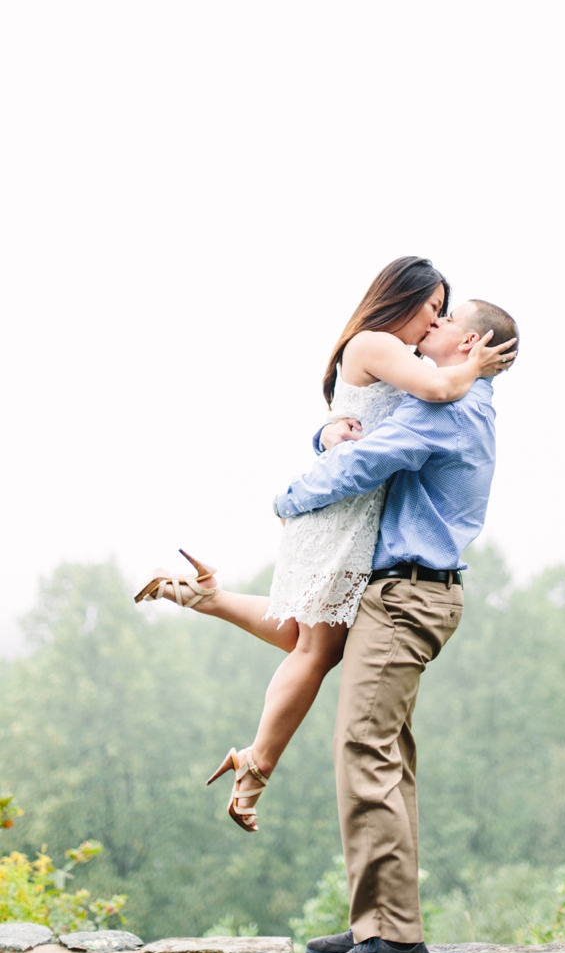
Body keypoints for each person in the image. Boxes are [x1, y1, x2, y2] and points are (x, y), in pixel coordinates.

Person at [134, 258, 516, 833]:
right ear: (402, 299)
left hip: (350, 512)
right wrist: (477, 365)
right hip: (340, 509)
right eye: (431, 308)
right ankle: (256, 764)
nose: (433, 321)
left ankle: (201, 599)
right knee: (316, 649)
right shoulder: (380, 344)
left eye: (443, 314)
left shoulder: (406, 361)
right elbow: (428, 395)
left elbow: (363, 417)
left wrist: (324, 432)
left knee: (303, 635)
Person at [276, 297, 519, 953]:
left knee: (365, 750)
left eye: (444, 321)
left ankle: (393, 943)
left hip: (406, 595)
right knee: (389, 757)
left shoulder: (448, 407)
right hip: (418, 593)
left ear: (468, 339)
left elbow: (368, 462)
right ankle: (375, 922)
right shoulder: (462, 403)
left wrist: (289, 495)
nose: (429, 330)